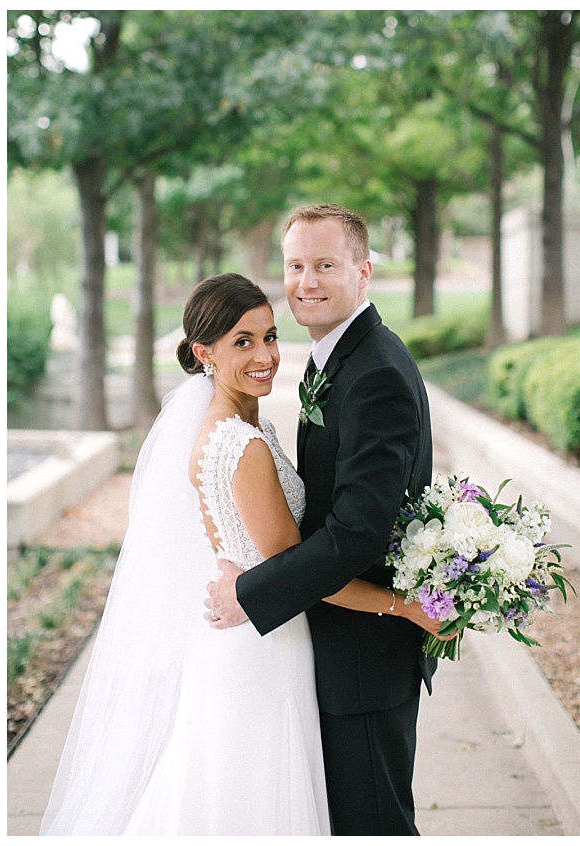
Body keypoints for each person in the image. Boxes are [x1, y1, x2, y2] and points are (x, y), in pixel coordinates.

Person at [40, 273, 434, 835]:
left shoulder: (249, 425)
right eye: (242, 342)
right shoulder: (241, 444)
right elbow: (305, 574)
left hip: (256, 632)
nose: (265, 355)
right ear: (204, 353)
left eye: (270, 336)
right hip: (260, 649)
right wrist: (408, 606)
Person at [204, 204, 437, 835]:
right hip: (335, 644)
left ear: (363, 273)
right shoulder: (335, 359)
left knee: (373, 826)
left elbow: (355, 533)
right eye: (296, 265)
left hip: (362, 658)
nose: (307, 281)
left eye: (326, 265)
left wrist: (251, 594)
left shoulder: (375, 373)